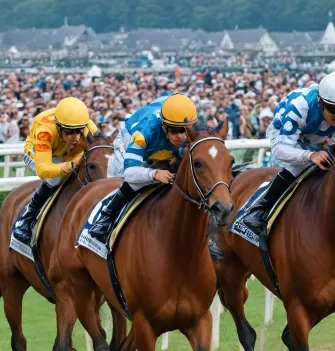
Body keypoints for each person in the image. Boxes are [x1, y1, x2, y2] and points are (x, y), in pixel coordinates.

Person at [239, 72, 335, 236]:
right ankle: (259, 210)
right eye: (332, 108)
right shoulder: (300, 106)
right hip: (283, 133)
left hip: (313, 134)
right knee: (299, 166)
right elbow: (280, 150)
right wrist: (310, 155)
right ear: (320, 102)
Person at [88, 93, 196, 245]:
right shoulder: (143, 133)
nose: (181, 136)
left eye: (184, 130)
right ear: (164, 126)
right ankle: (105, 217)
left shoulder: (189, 122)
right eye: (174, 130)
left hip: (162, 143)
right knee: (133, 181)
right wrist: (154, 173)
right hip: (130, 137)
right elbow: (129, 173)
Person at [11, 97, 97, 245]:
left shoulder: (87, 125)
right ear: (58, 127)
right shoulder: (45, 129)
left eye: (79, 131)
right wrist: (70, 166)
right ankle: (26, 219)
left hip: (65, 151)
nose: (75, 136)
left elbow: (100, 148)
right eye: (69, 132)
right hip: (38, 153)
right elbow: (43, 170)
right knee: (54, 178)